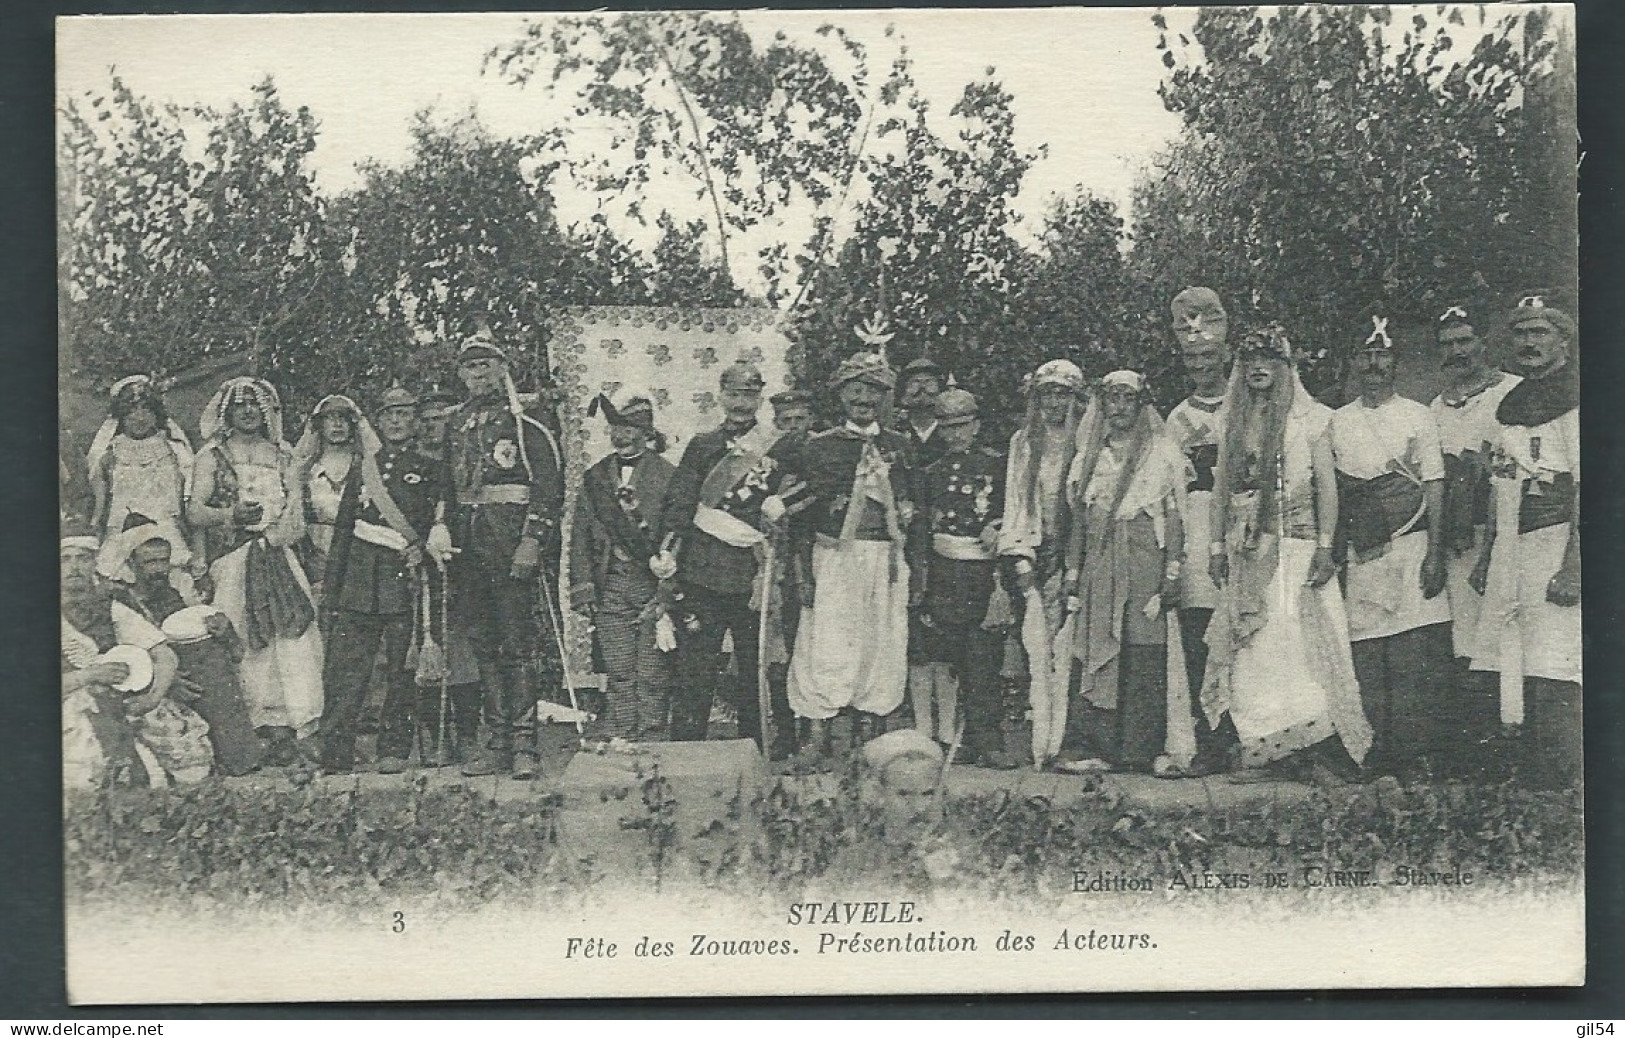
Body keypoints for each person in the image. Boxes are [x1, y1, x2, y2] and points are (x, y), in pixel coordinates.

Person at [1203, 326, 1372, 784]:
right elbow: (1221, 489)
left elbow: (1326, 488)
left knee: (1298, 645)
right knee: (1254, 648)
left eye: (1269, 360)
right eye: (1250, 361)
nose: (1259, 368)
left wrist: (1324, 547)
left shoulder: (1312, 418)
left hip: (1296, 547)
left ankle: (1313, 754)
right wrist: (1216, 546)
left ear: (1285, 367)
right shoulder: (1231, 420)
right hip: (1246, 551)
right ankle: (1263, 751)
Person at [433, 331, 566, 780]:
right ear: (460, 374)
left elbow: (548, 487)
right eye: (471, 365)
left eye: (487, 363)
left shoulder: (525, 421)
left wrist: (533, 540)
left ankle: (526, 744)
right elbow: (447, 487)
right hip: (468, 546)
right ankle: (498, 744)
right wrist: (440, 525)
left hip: (510, 542)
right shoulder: (455, 424)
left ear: (503, 368)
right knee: (484, 647)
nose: (479, 372)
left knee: (517, 645)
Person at [657, 359, 801, 756]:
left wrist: (781, 502)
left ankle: (758, 751)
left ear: (759, 398)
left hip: (754, 574)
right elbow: (680, 504)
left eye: (749, 394)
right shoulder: (703, 445)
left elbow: (806, 488)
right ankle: (686, 753)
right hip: (702, 572)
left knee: (755, 668)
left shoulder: (780, 445)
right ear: (721, 396)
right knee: (696, 668)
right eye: (734, 393)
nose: (741, 402)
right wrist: (668, 553)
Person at [1329, 316, 1451, 780]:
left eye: (1383, 356)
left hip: (1411, 544)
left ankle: (1415, 756)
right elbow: (1334, 491)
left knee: (1412, 652)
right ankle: (1374, 751)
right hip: (1364, 549)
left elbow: (1435, 487)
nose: (1374, 365)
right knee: (1368, 650)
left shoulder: (1419, 414)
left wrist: (1436, 553)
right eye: (1366, 356)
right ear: (1355, 364)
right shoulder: (1338, 421)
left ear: (1396, 363)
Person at [1470, 294, 1582, 789]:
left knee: (1556, 651)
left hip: (1556, 538)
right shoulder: (1508, 405)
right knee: (1510, 649)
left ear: (1563, 339)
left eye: (1540, 332)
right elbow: (1501, 479)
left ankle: (1560, 772)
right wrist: (1491, 552)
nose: (1529, 343)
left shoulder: (1581, 399)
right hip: (1512, 540)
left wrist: (1576, 564)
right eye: (1521, 333)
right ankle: (1524, 766)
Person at [188, 377, 325, 768]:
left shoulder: (283, 455)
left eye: (256, 405)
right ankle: (257, 732)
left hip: (279, 556)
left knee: (293, 640)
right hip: (233, 560)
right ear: (226, 412)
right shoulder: (212, 456)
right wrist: (230, 515)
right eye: (240, 405)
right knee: (245, 639)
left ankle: (298, 729)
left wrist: (283, 529)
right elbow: (194, 511)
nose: (248, 411)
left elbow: (298, 507)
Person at [1057, 371, 1188, 775]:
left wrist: (1172, 572)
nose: (1118, 407)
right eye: (1111, 398)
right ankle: (1093, 746)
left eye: (1126, 399)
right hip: (1100, 561)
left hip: (1145, 559)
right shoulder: (1089, 457)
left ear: (1141, 404)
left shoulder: (1162, 454)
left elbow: (1174, 516)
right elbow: (1079, 518)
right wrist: (1073, 573)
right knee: (1097, 643)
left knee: (1143, 644)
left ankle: (1139, 747)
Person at [315, 385, 450, 774]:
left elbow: (440, 526)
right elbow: (343, 530)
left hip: (402, 581)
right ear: (379, 420)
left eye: (405, 414)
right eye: (390, 414)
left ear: (415, 421)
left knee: (400, 672)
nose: (396, 421)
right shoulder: (364, 467)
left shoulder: (431, 469)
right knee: (346, 670)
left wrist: (422, 548)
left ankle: (393, 748)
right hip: (358, 579)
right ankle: (336, 751)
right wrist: (333, 587)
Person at [786, 351, 915, 755]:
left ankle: (870, 734)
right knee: (826, 643)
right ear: (842, 395)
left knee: (881, 641)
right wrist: (802, 574)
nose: (864, 399)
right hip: (834, 560)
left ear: (885, 397)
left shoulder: (901, 446)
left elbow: (917, 510)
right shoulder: (820, 448)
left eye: (873, 391)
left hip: (885, 560)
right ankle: (819, 734)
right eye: (856, 390)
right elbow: (801, 518)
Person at [1427, 304, 1521, 777]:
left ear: (1484, 342)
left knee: (1502, 634)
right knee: (1462, 639)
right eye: (1448, 344)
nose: (1458, 352)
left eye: (1466, 341)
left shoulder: (1511, 394)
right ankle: (1472, 752)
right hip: (1454, 539)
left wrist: (1491, 549)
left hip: (1501, 533)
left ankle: (1509, 746)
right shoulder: (1435, 408)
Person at [906, 389, 1016, 768]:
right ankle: (953, 738)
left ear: (977, 426)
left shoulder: (997, 466)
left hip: (983, 573)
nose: (955, 435)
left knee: (982, 659)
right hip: (943, 574)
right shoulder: (929, 473)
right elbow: (921, 527)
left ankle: (989, 741)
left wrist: (999, 526)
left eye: (962, 426)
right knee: (947, 660)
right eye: (948, 427)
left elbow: (1013, 509)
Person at [105, 513, 262, 776]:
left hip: (186, 669)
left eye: (163, 561)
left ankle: (239, 755)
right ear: (131, 564)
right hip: (147, 679)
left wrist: (223, 629)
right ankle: (233, 755)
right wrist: (166, 679)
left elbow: (193, 624)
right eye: (149, 562)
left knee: (213, 659)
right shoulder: (121, 600)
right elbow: (125, 654)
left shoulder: (173, 590)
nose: (158, 569)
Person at [61, 528, 215, 791]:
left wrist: (152, 698)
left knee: (192, 763)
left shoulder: (108, 605)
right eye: (65, 559)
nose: (74, 567)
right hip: (71, 700)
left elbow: (164, 654)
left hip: (123, 697)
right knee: (86, 771)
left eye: (83, 558)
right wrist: (90, 675)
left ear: (94, 563)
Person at [569, 387, 677, 744]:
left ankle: (651, 733)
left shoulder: (668, 475)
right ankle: (623, 730)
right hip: (609, 583)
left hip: (650, 585)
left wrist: (667, 583)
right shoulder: (595, 477)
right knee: (618, 668)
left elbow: (677, 533)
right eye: (616, 426)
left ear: (648, 432)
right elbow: (581, 534)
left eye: (631, 427)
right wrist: (582, 587)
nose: (622, 435)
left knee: (651, 669)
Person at [1164, 287, 1239, 774]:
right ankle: (1211, 740)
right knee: (1200, 634)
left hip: (1241, 522)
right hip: (1195, 526)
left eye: (1209, 355)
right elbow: (1170, 489)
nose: (1201, 365)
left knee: (1246, 629)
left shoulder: (1246, 405)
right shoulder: (1177, 418)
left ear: (1226, 353)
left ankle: (1248, 734)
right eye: (1192, 358)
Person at [998, 359, 1086, 768]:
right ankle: (1040, 742)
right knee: (1035, 644)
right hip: (1037, 550)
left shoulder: (1088, 439)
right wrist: (1020, 555)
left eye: (1063, 394)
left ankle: (1071, 737)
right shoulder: (1024, 442)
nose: (1055, 403)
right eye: (1048, 394)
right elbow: (1016, 502)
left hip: (1080, 551)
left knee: (1074, 647)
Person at [85, 375, 197, 594]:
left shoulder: (177, 452)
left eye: (146, 410)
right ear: (121, 417)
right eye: (131, 411)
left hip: (167, 533)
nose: (139, 418)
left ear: (157, 414)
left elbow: (187, 500)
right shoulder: (109, 455)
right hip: (122, 533)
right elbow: (100, 507)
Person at [414, 382, 483, 726]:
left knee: (464, 645)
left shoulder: (467, 462)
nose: (431, 426)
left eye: (439, 419)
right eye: (424, 420)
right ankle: (429, 732)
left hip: (464, 563)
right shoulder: (409, 462)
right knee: (425, 646)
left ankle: (468, 729)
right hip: (417, 566)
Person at [299, 394, 362, 603]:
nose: (337, 424)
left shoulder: (364, 467)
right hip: (313, 555)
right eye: (329, 418)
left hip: (355, 554)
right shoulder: (306, 470)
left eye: (343, 418)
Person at [895, 357, 949, 472]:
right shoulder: (895, 429)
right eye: (914, 382)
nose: (922, 387)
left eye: (929, 381)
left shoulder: (950, 428)